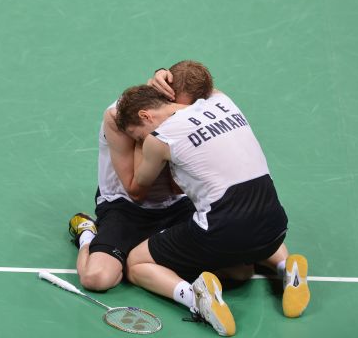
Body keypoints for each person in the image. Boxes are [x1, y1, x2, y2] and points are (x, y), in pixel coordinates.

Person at [114, 69, 310, 337]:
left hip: (223, 229)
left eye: (137, 134)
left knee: (136, 263)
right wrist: (160, 76)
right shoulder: (222, 101)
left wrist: (141, 144)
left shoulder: (159, 139)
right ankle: (285, 267)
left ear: (145, 116)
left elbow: (139, 186)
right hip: (275, 227)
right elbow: (197, 79)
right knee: (243, 252)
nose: (141, 139)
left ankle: (197, 299)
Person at [67, 62, 211, 292]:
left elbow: (177, 188)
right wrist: (153, 139)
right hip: (125, 206)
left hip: (177, 204)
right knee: (96, 279)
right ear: (165, 93)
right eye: (177, 107)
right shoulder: (120, 116)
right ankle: (87, 234)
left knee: (238, 268)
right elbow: (136, 190)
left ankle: (142, 257)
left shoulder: (193, 113)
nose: (181, 114)